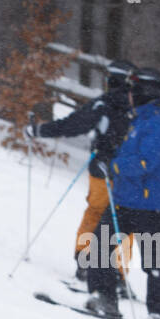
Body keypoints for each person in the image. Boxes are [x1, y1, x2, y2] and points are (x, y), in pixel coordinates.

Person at [25, 58, 136, 290]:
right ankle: (117, 272)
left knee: (96, 213)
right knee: (124, 222)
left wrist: (39, 131)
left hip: (103, 167)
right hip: (130, 174)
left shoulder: (103, 105)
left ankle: (86, 262)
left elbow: (73, 124)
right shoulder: (137, 110)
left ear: (110, 80)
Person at [87, 66, 160, 319]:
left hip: (150, 203)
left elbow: (146, 161)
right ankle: (104, 296)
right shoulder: (136, 120)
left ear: (145, 92)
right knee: (100, 245)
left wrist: (114, 166)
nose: (128, 95)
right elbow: (126, 154)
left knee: (152, 258)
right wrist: (105, 158)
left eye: (133, 90)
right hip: (125, 198)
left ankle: (158, 314)